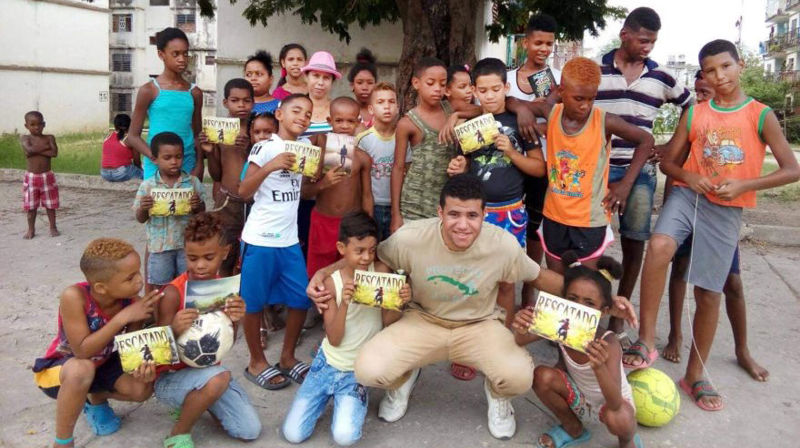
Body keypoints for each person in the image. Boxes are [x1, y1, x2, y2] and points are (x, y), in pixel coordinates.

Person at [307, 174, 639, 440]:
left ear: (483, 215)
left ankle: (497, 395)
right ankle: (405, 376)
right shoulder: (410, 238)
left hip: (480, 325)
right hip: (422, 320)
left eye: (472, 215)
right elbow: (364, 257)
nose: (463, 224)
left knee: (518, 377)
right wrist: (324, 273)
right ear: (440, 213)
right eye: (453, 214)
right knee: (370, 369)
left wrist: (606, 301)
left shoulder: (502, 244)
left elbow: (542, 278)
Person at [624, 40, 800, 412]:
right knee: (658, 247)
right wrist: (691, 175)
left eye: (725, 67)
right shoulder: (695, 114)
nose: (719, 76)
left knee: (708, 293)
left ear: (740, 66)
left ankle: (695, 375)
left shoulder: (760, 114)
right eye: (710, 70)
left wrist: (745, 184)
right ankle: (645, 340)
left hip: (727, 208)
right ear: (702, 75)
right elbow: (669, 163)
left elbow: (792, 169)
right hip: (688, 196)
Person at [661, 71, 768, 382]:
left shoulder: (735, 119)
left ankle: (742, 349)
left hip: (719, 214)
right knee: (679, 271)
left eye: (706, 90)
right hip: (685, 208)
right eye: (698, 91)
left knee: (730, 283)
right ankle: (675, 335)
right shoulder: (694, 118)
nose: (703, 95)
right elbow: (673, 168)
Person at [595, 7, 693, 337]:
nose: (647, 47)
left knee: (635, 243)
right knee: (593, 243)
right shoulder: (596, 70)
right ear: (625, 34)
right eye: (642, 40)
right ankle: (590, 308)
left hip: (639, 174)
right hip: (598, 170)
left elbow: (691, 107)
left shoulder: (662, 76)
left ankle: (619, 315)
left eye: (652, 42)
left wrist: (671, 147)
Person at [446, 57, 546, 382]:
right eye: (482, 90)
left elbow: (539, 168)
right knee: (471, 279)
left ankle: (500, 344)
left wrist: (511, 152)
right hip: (477, 215)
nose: (489, 96)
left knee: (505, 282)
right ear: (474, 91)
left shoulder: (519, 122)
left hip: (512, 213)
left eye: (495, 89)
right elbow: (463, 164)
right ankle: (468, 347)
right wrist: (459, 168)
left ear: (506, 87)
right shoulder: (469, 127)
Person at [282, 212, 410, 446]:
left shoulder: (380, 272)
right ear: (341, 248)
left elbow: (389, 321)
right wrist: (345, 303)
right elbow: (334, 338)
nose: (366, 257)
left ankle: (349, 398)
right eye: (359, 250)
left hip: (357, 371)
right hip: (327, 364)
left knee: (345, 437)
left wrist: (399, 301)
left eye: (371, 250)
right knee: (293, 434)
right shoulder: (332, 282)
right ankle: (323, 396)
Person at [521, 57, 653, 274]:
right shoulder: (551, 113)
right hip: (554, 216)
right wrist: (524, 111)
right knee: (556, 282)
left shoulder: (604, 121)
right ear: (562, 91)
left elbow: (645, 141)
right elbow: (512, 102)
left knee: (584, 285)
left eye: (592, 98)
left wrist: (626, 185)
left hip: (589, 221)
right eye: (579, 98)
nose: (585, 105)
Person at [32, 238, 161, 447]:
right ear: (101, 287)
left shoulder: (132, 302)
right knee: (81, 369)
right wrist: (123, 317)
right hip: (61, 371)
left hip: (102, 362)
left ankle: (94, 397)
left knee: (142, 389)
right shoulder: (74, 296)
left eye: (139, 272)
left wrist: (142, 367)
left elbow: (131, 348)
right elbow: (82, 351)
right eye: (130, 278)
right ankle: (63, 441)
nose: (139, 281)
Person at [512, 252, 642, 448]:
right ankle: (574, 428)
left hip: (611, 402)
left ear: (604, 311)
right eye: (572, 299)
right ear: (563, 301)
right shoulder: (559, 324)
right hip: (579, 400)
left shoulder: (609, 342)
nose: (579, 309)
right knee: (541, 376)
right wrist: (522, 324)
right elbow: (520, 340)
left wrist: (599, 367)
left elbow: (615, 402)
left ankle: (627, 441)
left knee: (620, 416)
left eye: (589, 303)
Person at [155, 212, 261, 448]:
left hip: (209, 373)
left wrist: (235, 320)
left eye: (209, 257)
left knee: (249, 430)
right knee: (218, 379)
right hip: (171, 379)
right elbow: (159, 352)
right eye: (192, 258)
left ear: (224, 252)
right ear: (185, 254)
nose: (200, 265)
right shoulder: (173, 293)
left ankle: (198, 401)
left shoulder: (225, 287)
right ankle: (178, 434)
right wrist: (173, 329)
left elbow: (226, 343)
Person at [238, 94, 316, 389]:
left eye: (308, 114)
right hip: (260, 239)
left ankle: (287, 357)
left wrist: (325, 182)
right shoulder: (264, 146)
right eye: (297, 110)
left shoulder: (306, 147)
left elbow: (302, 191)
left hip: (289, 240)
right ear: (280, 114)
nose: (303, 117)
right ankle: (256, 361)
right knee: (254, 303)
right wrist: (271, 165)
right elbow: (244, 191)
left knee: (299, 299)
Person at [506, 13, 562, 308]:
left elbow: (553, 113)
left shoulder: (555, 79)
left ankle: (529, 290)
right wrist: (518, 105)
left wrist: (522, 108)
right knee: (507, 221)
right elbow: (496, 103)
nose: (543, 48)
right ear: (525, 42)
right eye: (538, 42)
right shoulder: (506, 79)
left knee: (535, 226)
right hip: (508, 160)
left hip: (543, 162)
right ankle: (504, 286)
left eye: (549, 44)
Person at [302, 96, 373, 280]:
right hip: (322, 221)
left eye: (350, 121)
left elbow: (366, 196)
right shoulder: (318, 148)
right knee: (318, 270)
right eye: (338, 120)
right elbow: (304, 192)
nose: (344, 126)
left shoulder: (363, 158)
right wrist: (323, 182)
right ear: (329, 121)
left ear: (358, 122)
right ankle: (319, 306)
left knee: (349, 270)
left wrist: (369, 226)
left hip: (351, 222)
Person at [390, 57, 457, 232]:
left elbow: (479, 110)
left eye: (442, 84)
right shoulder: (408, 123)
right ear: (416, 83)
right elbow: (398, 167)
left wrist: (456, 117)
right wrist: (396, 214)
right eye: (431, 83)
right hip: (414, 204)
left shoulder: (451, 110)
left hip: (446, 202)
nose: (437, 89)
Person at [127, 27, 203, 180]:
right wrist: (154, 157)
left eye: (185, 53)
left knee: (189, 204)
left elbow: (197, 134)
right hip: (155, 167)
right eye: (175, 54)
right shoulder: (149, 90)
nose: (182, 59)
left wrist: (199, 164)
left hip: (186, 163)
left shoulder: (194, 93)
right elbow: (133, 136)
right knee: (155, 204)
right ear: (161, 54)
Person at [134, 132, 207, 291]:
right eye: (167, 158)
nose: (174, 162)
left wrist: (197, 205)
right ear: (154, 159)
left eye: (178, 157)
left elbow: (202, 214)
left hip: (187, 246)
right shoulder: (148, 186)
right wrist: (143, 208)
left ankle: (183, 313)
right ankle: (162, 315)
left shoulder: (192, 182)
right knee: (160, 287)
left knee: (187, 284)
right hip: (159, 248)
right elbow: (140, 218)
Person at [200, 78, 254, 276]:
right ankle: (224, 297)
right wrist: (210, 151)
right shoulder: (218, 130)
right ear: (225, 103)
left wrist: (248, 148)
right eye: (235, 100)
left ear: (253, 103)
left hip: (255, 201)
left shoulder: (257, 129)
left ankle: (248, 299)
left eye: (247, 101)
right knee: (225, 252)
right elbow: (216, 174)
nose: (241, 105)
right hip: (228, 200)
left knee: (251, 253)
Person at [356, 82, 400, 241]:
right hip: (372, 206)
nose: (387, 107)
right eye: (380, 102)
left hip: (397, 206)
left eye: (391, 102)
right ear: (371, 109)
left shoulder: (403, 139)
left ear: (397, 107)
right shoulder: (363, 140)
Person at [20, 110, 60, 239]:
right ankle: (31, 229)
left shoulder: (49, 137)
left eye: (39, 124)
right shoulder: (25, 138)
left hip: (47, 176)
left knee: (50, 204)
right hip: (32, 177)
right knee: (31, 207)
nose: (36, 127)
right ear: (26, 126)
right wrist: (45, 148)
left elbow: (54, 153)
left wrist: (34, 151)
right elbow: (29, 150)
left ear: (44, 124)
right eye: (32, 124)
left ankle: (53, 227)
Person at [101, 113, 143, 182]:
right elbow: (137, 162)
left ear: (115, 125)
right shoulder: (129, 139)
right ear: (130, 125)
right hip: (121, 172)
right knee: (148, 175)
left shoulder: (108, 136)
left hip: (104, 173)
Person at [348, 48, 379, 128]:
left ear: (376, 85)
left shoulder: (382, 112)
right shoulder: (347, 112)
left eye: (370, 83)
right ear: (352, 85)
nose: (365, 88)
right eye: (360, 82)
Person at [245, 50, 280, 114]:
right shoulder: (239, 105)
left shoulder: (280, 106)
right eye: (248, 75)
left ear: (271, 79)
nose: (253, 78)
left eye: (259, 74)